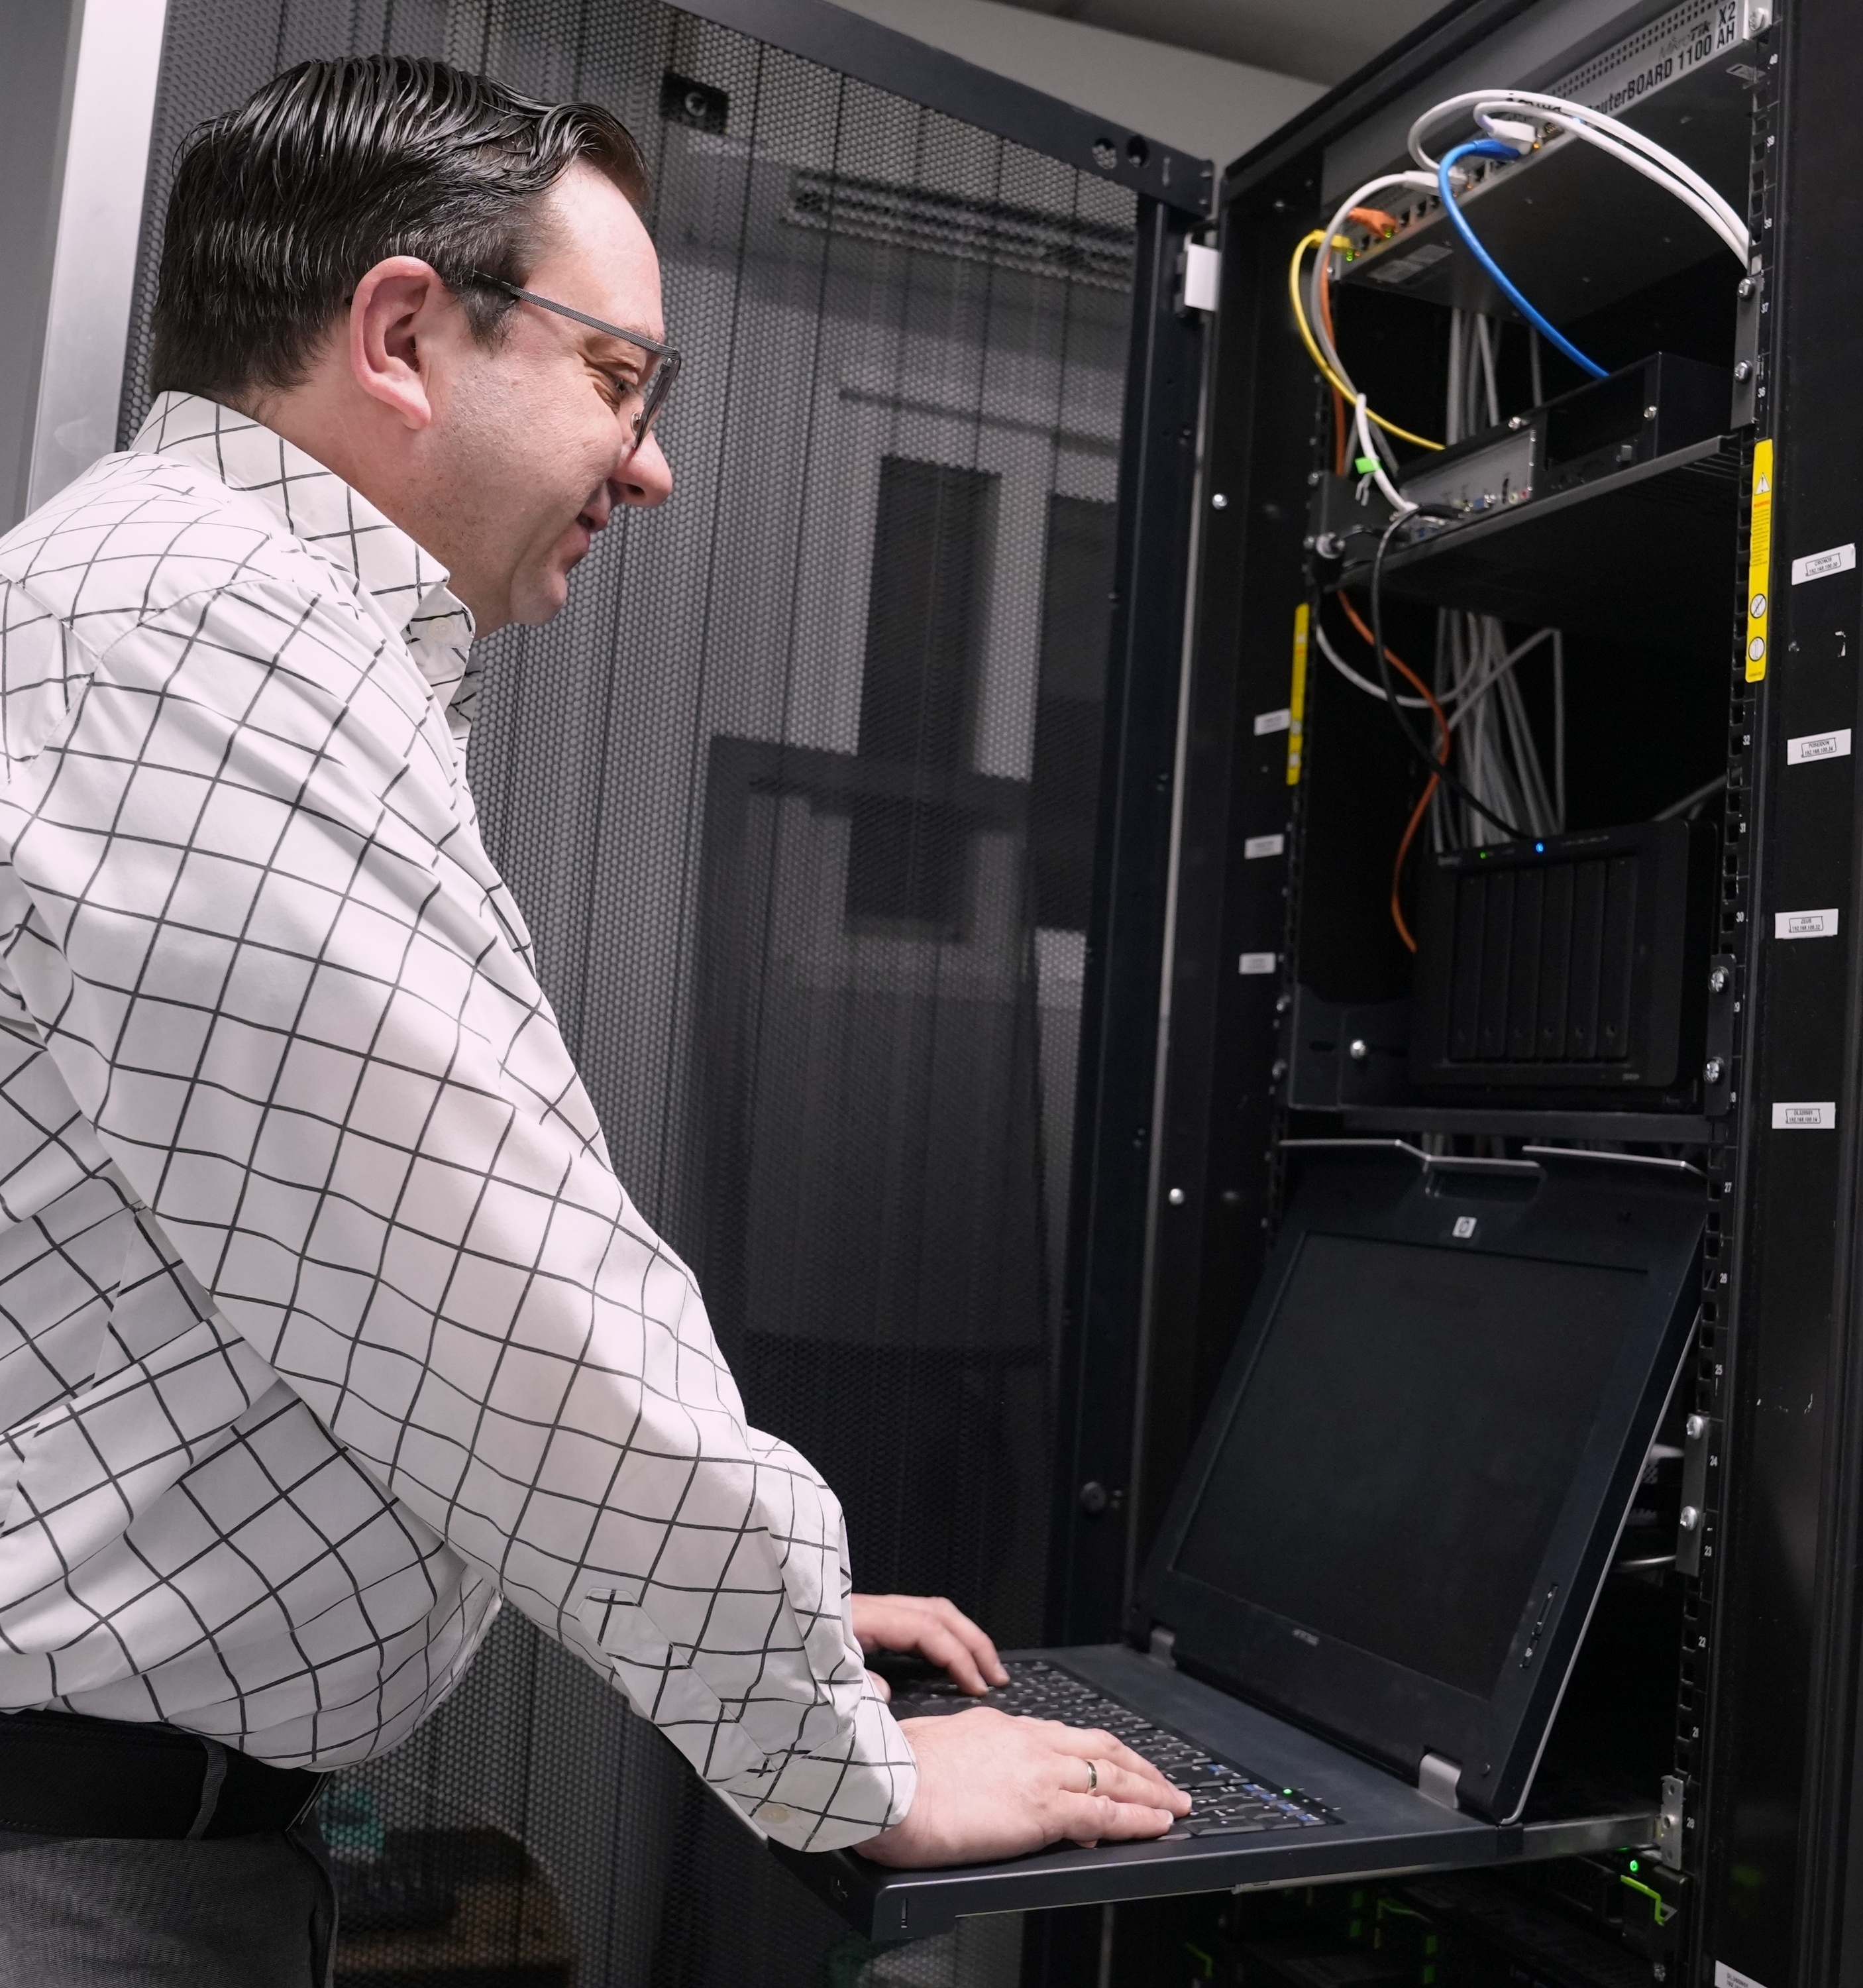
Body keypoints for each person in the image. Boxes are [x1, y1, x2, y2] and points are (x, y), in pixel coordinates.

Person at [0, 55, 1185, 1987]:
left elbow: (365, 1330)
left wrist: (759, 1621)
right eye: (620, 381)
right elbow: (503, 1306)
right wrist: (838, 1753)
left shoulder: (183, 623)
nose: (651, 466)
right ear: (401, 333)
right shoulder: (185, 642)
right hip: (65, 1878)